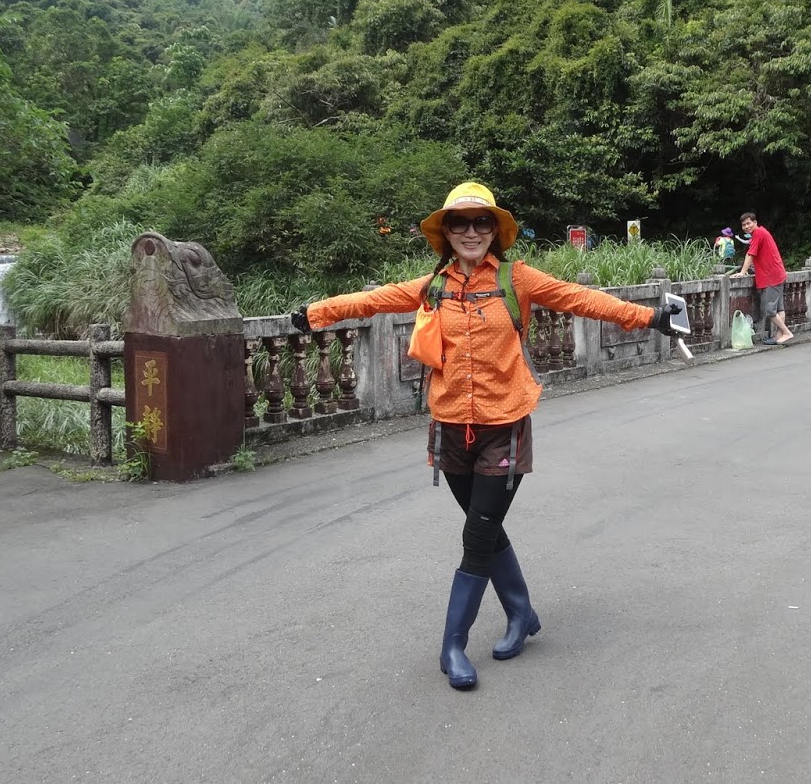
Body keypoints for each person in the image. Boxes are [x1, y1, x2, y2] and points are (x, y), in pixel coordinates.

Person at [290, 182, 682, 691]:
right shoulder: (433, 286)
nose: (471, 231)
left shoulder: (517, 279)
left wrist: (651, 316)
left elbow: (581, 298)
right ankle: (522, 614)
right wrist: (315, 314)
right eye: (460, 222)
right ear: (446, 232)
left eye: (481, 222)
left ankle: (453, 646)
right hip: (450, 427)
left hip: (504, 426)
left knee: (477, 535)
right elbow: (372, 301)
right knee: (487, 527)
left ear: (495, 231)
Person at [731, 212, 793, 345]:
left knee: (769, 310)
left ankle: (786, 332)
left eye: (748, 223)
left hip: (771, 276)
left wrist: (743, 272)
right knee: (779, 308)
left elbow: (751, 254)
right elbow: (755, 254)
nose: (746, 227)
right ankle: (778, 336)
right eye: (744, 225)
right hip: (777, 274)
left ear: (755, 222)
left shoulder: (758, 233)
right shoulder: (761, 233)